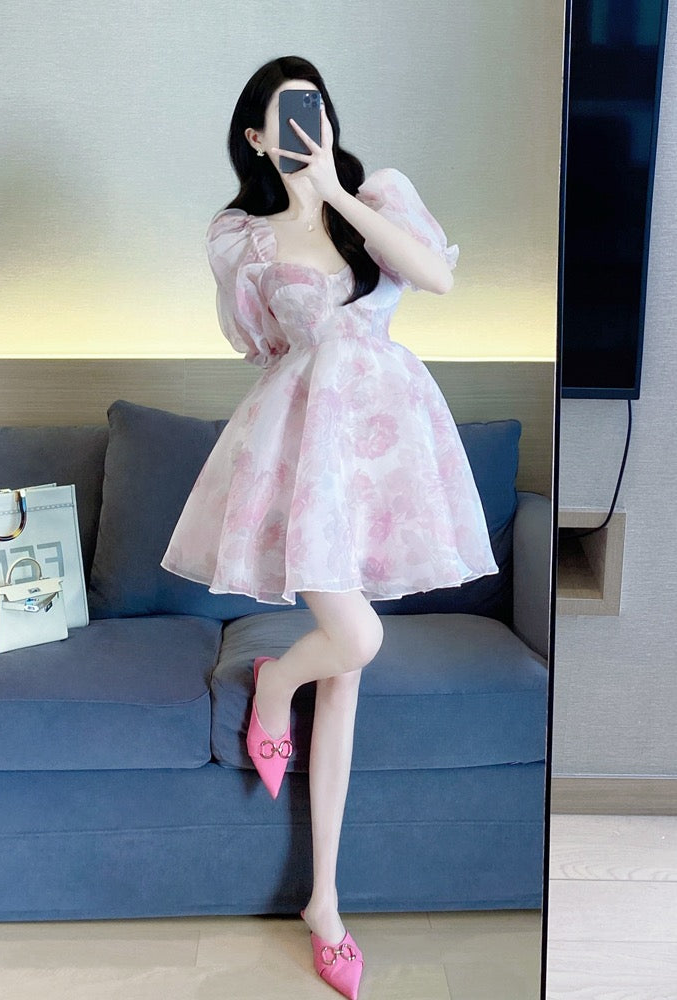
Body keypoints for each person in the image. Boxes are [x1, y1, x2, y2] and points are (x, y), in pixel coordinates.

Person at [161, 55, 499, 1000]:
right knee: (356, 637)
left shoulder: (378, 194)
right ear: (255, 137)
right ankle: (275, 682)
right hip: (305, 450)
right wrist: (299, 217)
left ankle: (325, 901)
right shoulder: (243, 237)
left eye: (317, 108)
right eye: (285, 116)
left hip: (388, 454)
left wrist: (336, 194)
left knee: (349, 672)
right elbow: (264, 345)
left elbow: (435, 276)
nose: (307, 126)